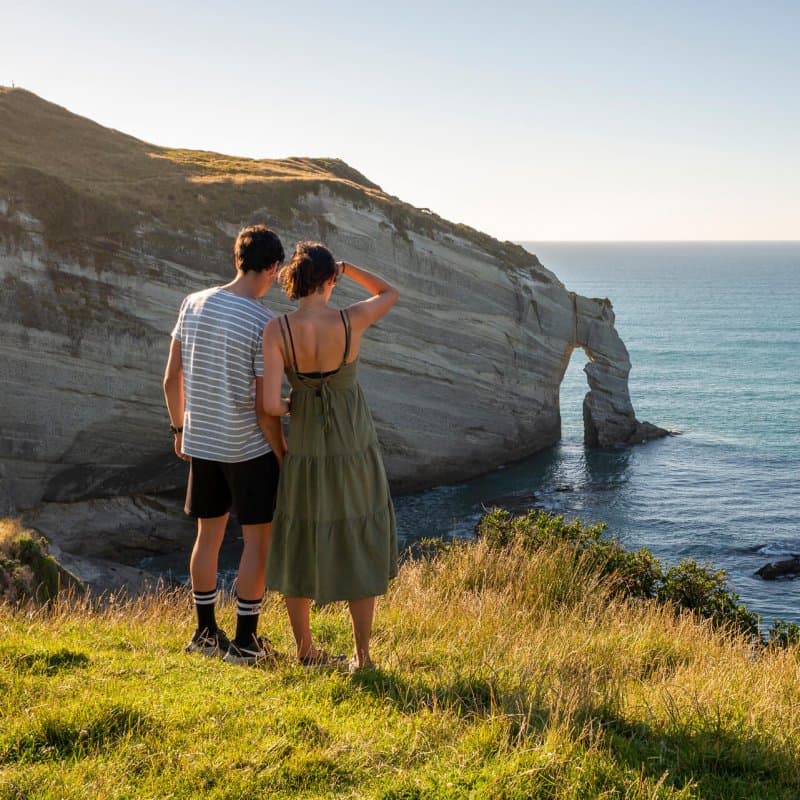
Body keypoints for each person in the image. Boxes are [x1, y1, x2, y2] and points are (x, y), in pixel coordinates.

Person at [261, 242, 399, 672]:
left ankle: (305, 650)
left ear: (294, 281)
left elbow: (269, 405)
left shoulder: (277, 330)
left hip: (304, 448)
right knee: (359, 534)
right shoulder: (350, 319)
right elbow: (389, 293)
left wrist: (299, 403)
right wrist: (349, 267)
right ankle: (362, 656)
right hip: (353, 445)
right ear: (329, 280)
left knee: (301, 536)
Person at [163, 224, 286, 665]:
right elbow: (262, 405)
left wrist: (180, 431)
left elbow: (170, 378)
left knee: (208, 537)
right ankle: (247, 643)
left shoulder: (192, 303)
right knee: (257, 542)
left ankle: (204, 633)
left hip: (203, 443)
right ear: (272, 268)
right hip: (247, 448)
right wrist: (281, 451)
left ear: (238, 258)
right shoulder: (263, 322)